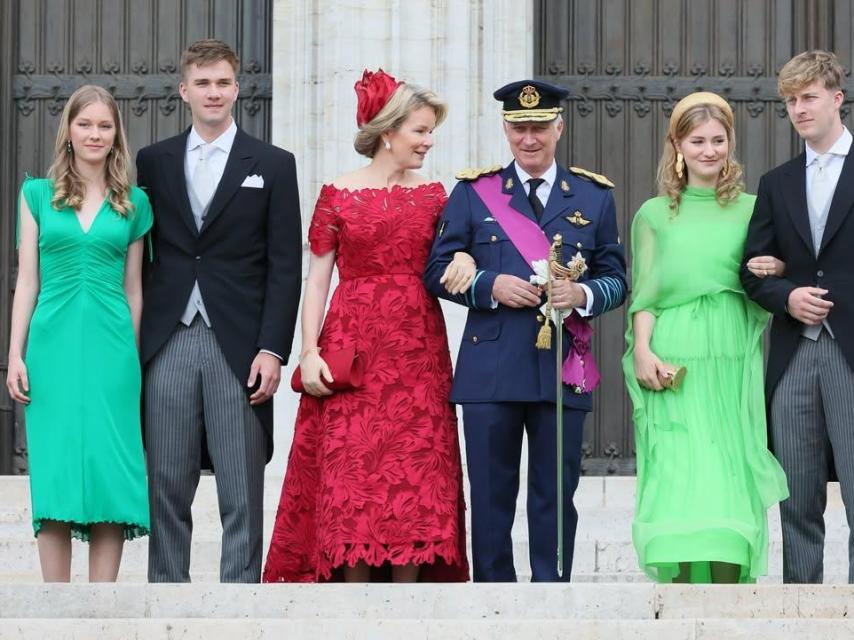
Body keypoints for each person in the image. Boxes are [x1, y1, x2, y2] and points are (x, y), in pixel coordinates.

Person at [263, 69, 471, 583]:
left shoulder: (437, 196)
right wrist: (308, 351)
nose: (429, 141)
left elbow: (452, 254)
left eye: (430, 131)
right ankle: (348, 603)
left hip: (418, 349)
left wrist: (465, 256)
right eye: (420, 130)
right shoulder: (337, 193)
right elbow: (317, 280)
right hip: (351, 344)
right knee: (353, 473)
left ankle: (411, 605)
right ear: (388, 132)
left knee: (417, 474)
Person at [424, 80, 627, 582]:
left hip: (561, 364)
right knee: (490, 494)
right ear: (506, 129)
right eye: (519, 128)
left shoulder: (592, 196)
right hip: (490, 367)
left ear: (559, 127)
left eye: (539, 127)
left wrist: (581, 295)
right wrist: (491, 285)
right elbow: (437, 270)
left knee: (555, 492)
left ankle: (552, 593)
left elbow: (617, 278)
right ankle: (493, 598)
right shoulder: (474, 193)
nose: (529, 139)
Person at [137, 39, 302, 583]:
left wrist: (273, 348)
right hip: (168, 338)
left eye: (223, 82)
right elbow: (138, 256)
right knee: (166, 480)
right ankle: (166, 598)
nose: (213, 92)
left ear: (238, 89)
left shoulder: (274, 165)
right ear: (184, 90)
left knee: (241, 484)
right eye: (202, 83)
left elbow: (284, 265)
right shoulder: (152, 162)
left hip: (240, 344)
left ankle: (239, 602)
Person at [624, 91, 789, 584]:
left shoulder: (754, 209)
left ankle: (726, 584)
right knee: (679, 464)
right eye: (697, 140)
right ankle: (680, 588)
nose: (709, 150)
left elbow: (770, 274)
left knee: (727, 462)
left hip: (730, 351)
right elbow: (646, 295)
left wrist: (776, 266)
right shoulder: (653, 214)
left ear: (730, 144)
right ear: (677, 144)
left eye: (719, 140)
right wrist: (643, 350)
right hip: (676, 353)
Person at [6, 85, 151, 582]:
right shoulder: (36, 196)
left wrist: (132, 356)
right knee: (58, 467)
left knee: (110, 468)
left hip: (113, 349)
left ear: (116, 136)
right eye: (85, 124)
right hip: (52, 345)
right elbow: (27, 280)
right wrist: (15, 354)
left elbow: (134, 291)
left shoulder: (135, 204)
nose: (94, 133)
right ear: (68, 130)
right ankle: (55, 609)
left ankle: (103, 609)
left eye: (104, 126)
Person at [741, 50, 854, 584]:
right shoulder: (776, 181)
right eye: (790, 100)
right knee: (797, 497)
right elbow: (753, 272)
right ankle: (801, 611)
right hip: (792, 356)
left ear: (837, 98)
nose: (798, 108)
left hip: (851, 350)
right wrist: (785, 295)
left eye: (808, 97)